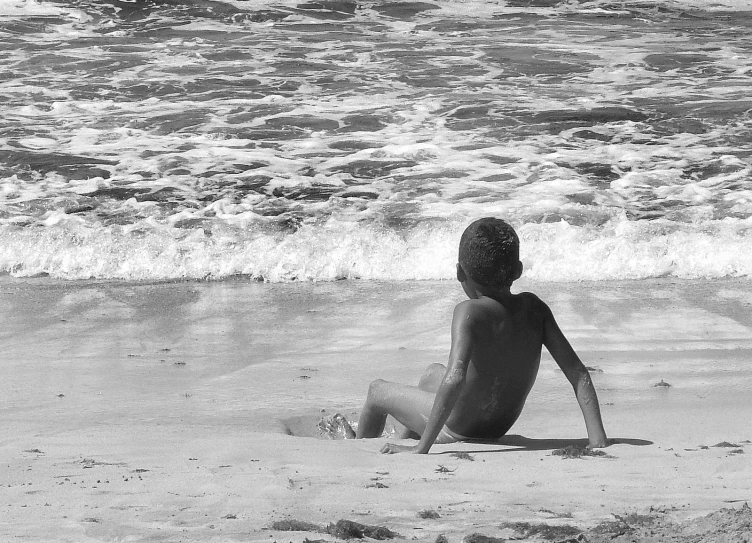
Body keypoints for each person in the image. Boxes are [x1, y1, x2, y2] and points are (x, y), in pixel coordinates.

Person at [355, 217, 608, 454]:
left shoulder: (468, 312)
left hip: (459, 430)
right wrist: (598, 441)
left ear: (459, 273)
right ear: (518, 270)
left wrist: (421, 449)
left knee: (377, 390)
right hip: (499, 426)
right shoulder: (535, 308)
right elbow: (578, 373)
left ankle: (359, 447)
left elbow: (455, 379)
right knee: (432, 373)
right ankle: (403, 436)